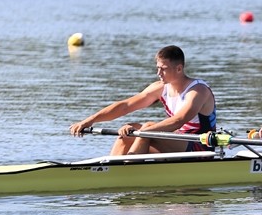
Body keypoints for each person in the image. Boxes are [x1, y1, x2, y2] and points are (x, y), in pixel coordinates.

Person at [69, 45, 217, 155]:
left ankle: (129, 168)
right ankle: (113, 168)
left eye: (163, 68)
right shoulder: (160, 88)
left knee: (147, 128)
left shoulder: (198, 91)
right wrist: (91, 120)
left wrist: (144, 130)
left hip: (200, 147)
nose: (158, 73)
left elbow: (178, 120)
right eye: (158, 67)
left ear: (179, 69)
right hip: (178, 142)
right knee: (129, 129)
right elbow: (125, 106)